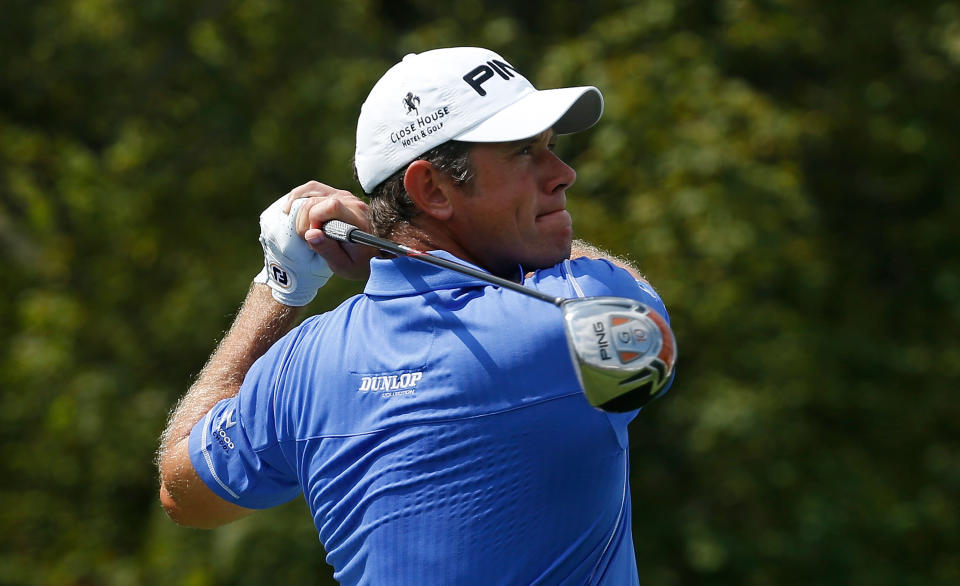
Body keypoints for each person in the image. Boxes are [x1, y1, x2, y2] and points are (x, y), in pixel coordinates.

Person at [158, 47, 674, 585]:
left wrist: (281, 285)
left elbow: (184, 493)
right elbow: (644, 334)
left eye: (550, 148)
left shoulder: (301, 367)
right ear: (430, 189)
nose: (563, 173)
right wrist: (391, 247)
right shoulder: (568, 318)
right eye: (524, 152)